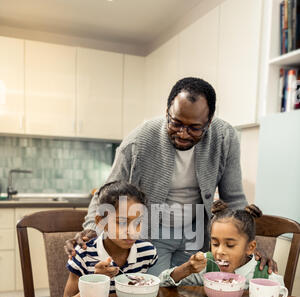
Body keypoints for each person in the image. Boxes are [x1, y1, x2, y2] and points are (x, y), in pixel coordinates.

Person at [65, 77, 276, 276]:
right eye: (176, 123)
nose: (183, 133)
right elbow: (107, 191)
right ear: (167, 112)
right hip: (154, 230)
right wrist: (91, 229)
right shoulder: (139, 140)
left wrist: (249, 245)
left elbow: (235, 198)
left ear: (209, 121)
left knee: (192, 292)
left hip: (198, 230)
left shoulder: (224, 138)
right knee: (158, 290)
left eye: (194, 128)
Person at [61, 181, 157, 297]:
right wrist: (96, 281)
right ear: (101, 222)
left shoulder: (147, 253)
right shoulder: (83, 256)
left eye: (138, 222)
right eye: (122, 222)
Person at [159, 200, 284, 288]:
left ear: (250, 247)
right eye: (215, 243)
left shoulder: (265, 277)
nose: (219, 252)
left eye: (230, 245)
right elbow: (161, 283)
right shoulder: (206, 267)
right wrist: (187, 269)